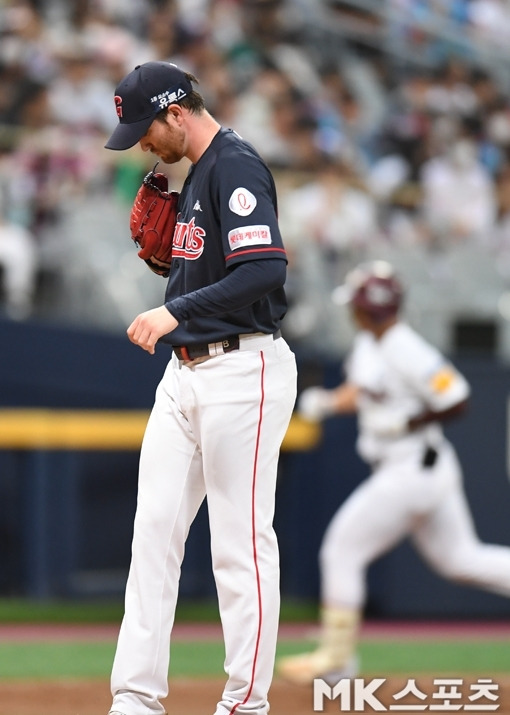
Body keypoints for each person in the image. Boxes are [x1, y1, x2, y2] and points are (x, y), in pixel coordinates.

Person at [104, 61, 297, 715]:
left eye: (147, 129)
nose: (143, 144)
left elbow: (265, 266)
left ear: (177, 113)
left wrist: (173, 309)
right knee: (153, 533)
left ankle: (246, 702)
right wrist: (175, 271)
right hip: (184, 375)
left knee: (239, 547)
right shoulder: (189, 177)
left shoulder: (234, 164)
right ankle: (135, 697)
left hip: (244, 370)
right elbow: (205, 262)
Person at [276, 260, 510, 686]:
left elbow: (457, 398)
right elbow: (364, 390)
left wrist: (407, 423)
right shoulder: (371, 344)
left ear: (368, 309)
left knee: (341, 551)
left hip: (411, 467)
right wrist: (328, 402)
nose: (353, 314)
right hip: (419, 469)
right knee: (460, 560)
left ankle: (337, 661)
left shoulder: (406, 346)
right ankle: (337, 660)